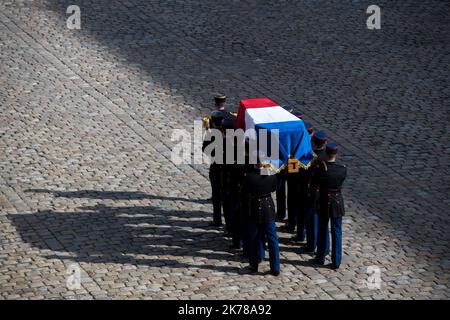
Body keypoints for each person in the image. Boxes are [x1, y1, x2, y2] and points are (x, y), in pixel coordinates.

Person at [242, 158, 280, 276]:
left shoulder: (248, 177)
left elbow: (244, 191)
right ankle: (275, 267)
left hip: (254, 206)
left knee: (254, 236)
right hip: (268, 205)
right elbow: (274, 188)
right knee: (272, 238)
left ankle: (254, 264)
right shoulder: (271, 175)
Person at [315, 143, 347, 269]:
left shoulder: (321, 170)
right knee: (337, 230)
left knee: (322, 229)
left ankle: (321, 256)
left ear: (326, 154)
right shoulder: (342, 169)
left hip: (324, 199)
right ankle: (336, 260)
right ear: (336, 154)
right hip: (337, 200)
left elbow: (315, 182)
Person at [301, 130, 330, 254]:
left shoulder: (308, 155)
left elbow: (301, 174)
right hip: (325, 192)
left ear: (313, 141)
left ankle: (312, 245)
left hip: (312, 191)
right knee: (324, 222)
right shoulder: (328, 156)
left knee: (312, 219)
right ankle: (326, 247)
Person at [202, 110, 225, 227]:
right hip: (227, 168)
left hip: (216, 166)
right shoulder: (230, 132)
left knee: (216, 195)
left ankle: (217, 219)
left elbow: (205, 150)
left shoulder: (211, 134)